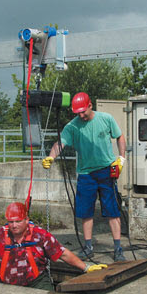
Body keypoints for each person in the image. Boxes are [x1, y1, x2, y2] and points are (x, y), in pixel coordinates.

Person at [0, 202, 106, 294]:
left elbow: (62, 253)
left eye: (18, 221)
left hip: (36, 282)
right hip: (5, 283)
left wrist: (86, 267)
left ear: (26, 220)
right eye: (11, 222)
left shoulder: (40, 235)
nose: (14, 225)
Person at [42, 92, 127, 262]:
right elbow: (60, 143)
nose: (81, 115)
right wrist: (51, 156)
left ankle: (118, 247)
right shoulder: (72, 127)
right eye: (77, 113)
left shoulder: (106, 119)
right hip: (86, 174)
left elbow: (119, 136)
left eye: (83, 111)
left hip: (106, 170)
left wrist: (121, 158)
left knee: (112, 210)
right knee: (85, 212)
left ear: (90, 106)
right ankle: (88, 247)